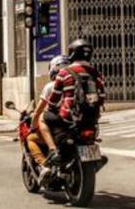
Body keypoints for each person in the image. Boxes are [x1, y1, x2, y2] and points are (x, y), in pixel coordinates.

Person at [41, 39, 107, 170]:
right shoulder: (96, 74)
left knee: (46, 116)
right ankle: (94, 156)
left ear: (72, 53)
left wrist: (52, 108)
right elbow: (103, 96)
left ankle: (59, 151)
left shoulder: (64, 73)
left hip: (70, 117)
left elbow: (54, 98)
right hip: (91, 118)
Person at [27, 55, 68, 176]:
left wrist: (33, 126)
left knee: (31, 139)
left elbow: (39, 110)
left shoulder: (51, 86)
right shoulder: (76, 82)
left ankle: (44, 164)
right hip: (74, 122)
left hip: (58, 124)